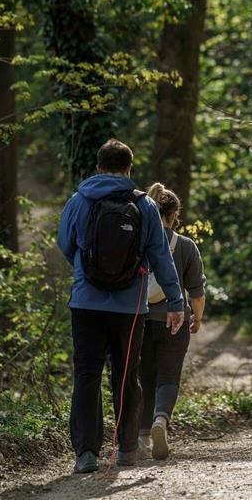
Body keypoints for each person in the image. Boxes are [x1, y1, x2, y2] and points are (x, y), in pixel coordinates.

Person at [57, 139, 185, 473]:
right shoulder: (144, 206)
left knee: (86, 375)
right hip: (130, 307)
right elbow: (160, 255)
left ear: (98, 167)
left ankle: (86, 454)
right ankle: (127, 449)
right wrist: (175, 300)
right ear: (129, 169)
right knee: (126, 374)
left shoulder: (79, 200)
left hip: (86, 303)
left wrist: (88, 270)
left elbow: (65, 244)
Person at [138, 182, 207, 460]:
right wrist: (198, 317)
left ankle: (141, 438)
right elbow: (197, 291)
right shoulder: (186, 246)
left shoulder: (140, 241)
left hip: (141, 319)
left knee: (144, 376)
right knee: (168, 377)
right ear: (174, 214)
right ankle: (160, 421)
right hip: (175, 321)